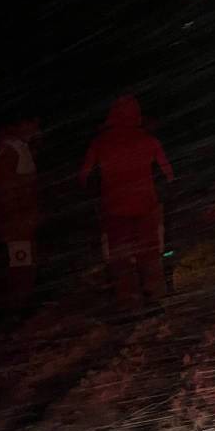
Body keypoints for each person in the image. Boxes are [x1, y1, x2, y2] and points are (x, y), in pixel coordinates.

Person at [80, 95, 173, 316]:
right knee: (149, 253)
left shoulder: (100, 142)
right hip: (146, 206)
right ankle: (153, 296)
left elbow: (84, 176)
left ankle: (127, 301)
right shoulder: (148, 140)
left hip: (113, 208)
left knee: (121, 256)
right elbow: (168, 174)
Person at [0, 116, 41, 316]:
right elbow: (4, 189)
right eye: (34, 124)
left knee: (23, 262)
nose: (37, 130)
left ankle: (22, 304)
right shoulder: (8, 148)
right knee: (20, 262)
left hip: (20, 219)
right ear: (22, 123)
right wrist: (18, 217)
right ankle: (18, 308)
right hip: (16, 221)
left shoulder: (16, 146)